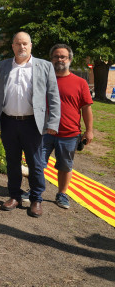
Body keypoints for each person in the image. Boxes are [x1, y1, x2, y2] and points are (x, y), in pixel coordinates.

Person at [0, 32, 60, 217]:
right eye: (18, 44)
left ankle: (36, 199)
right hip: (8, 122)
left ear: (31, 45)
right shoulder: (3, 66)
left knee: (35, 163)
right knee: (12, 161)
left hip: (32, 124)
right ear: (12, 46)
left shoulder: (44, 66)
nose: (22, 47)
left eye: (25, 43)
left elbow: (53, 97)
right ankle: (14, 195)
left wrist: (52, 122)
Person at [42, 44, 93, 209]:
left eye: (63, 56)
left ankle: (62, 194)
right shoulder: (44, 80)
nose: (59, 59)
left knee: (65, 165)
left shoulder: (80, 82)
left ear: (69, 59)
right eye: (56, 56)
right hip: (44, 131)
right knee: (37, 163)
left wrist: (89, 130)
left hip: (69, 133)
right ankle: (35, 191)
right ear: (51, 60)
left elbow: (86, 108)